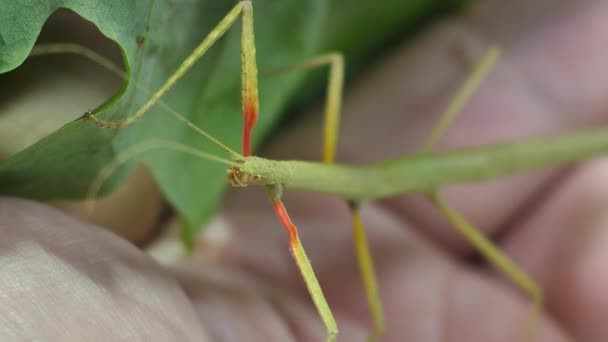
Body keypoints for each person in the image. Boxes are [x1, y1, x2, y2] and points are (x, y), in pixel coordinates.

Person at [1, 0, 606, 340]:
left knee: (525, 287)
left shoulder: (296, 206)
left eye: (250, 171)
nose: (244, 170)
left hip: (465, 164)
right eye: (249, 172)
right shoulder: (280, 205)